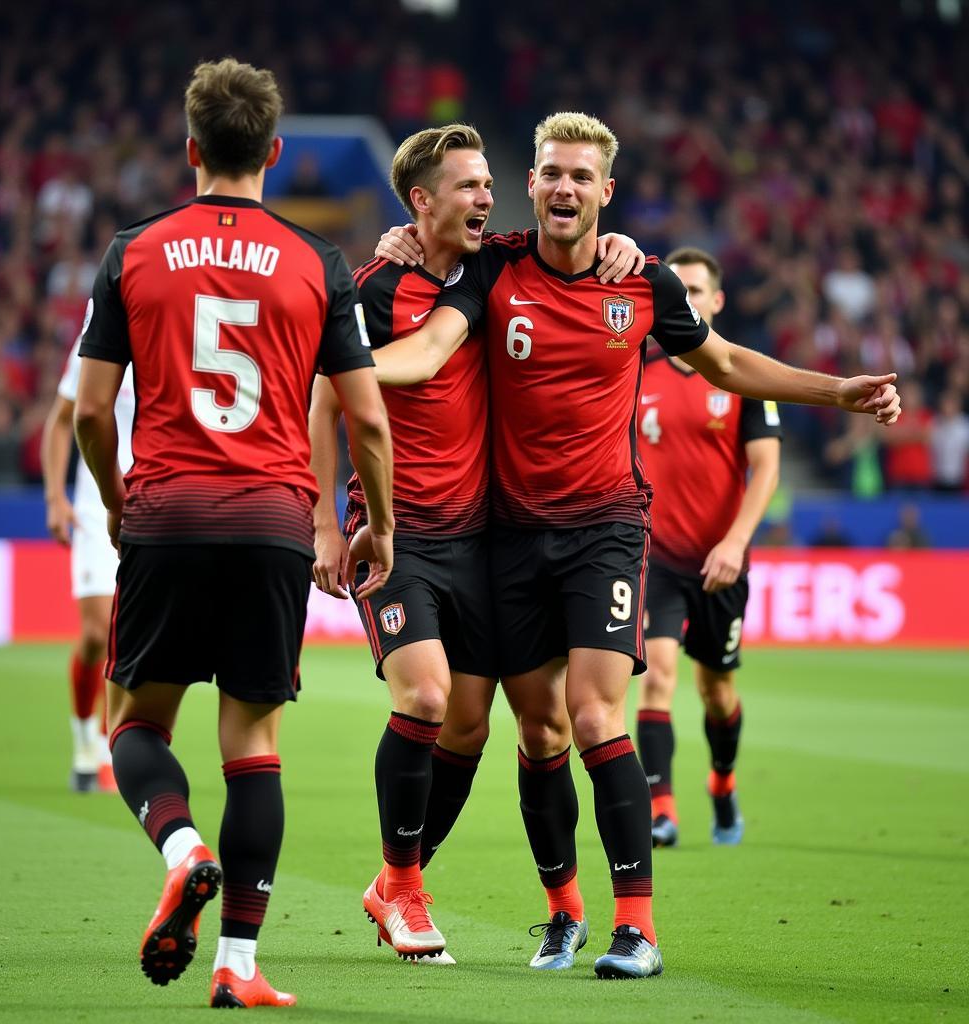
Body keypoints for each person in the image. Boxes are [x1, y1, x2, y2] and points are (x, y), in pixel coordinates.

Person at [371, 111, 901, 981]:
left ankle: (638, 930)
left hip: (605, 531)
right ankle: (561, 914)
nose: (565, 188)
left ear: (606, 191)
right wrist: (379, 282)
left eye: (583, 176)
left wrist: (837, 391)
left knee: (592, 717)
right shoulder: (494, 266)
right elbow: (430, 335)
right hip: (504, 536)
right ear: (533, 183)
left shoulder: (644, 283)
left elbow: (726, 363)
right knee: (537, 730)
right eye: (551, 173)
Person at [73, 58, 394, 1010]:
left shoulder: (133, 250)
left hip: (167, 513)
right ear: (276, 154)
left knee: (133, 724)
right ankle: (240, 968)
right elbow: (367, 419)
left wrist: (115, 495)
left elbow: (93, 409)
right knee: (253, 745)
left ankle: (183, 850)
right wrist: (375, 519)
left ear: (190, 149)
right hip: (273, 521)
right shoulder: (317, 263)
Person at [308, 122, 646, 967]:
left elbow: (570, 240)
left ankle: (434, 889)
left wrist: (621, 242)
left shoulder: (488, 267)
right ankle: (406, 886)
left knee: (480, 728)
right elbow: (330, 393)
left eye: (491, 184)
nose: (487, 197)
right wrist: (322, 519)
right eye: (469, 186)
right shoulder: (375, 287)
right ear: (422, 201)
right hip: (392, 532)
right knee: (425, 699)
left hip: (487, 539)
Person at [633, 247, 782, 850]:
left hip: (722, 561)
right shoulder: (640, 370)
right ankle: (661, 808)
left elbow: (766, 468)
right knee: (656, 676)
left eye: (698, 291)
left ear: (716, 301)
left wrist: (736, 542)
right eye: (679, 290)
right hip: (656, 556)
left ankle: (722, 780)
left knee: (716, 690)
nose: (687, 301)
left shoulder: (741, 376)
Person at [41, 341, 134, 793]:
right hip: (98, 501)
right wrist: (55, 497)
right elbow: (61, 421)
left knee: (130, 635)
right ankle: (85, 736)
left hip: (159, 494)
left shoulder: (183, 316)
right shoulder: (98, 332)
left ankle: (107, 743)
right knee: (98, 632)